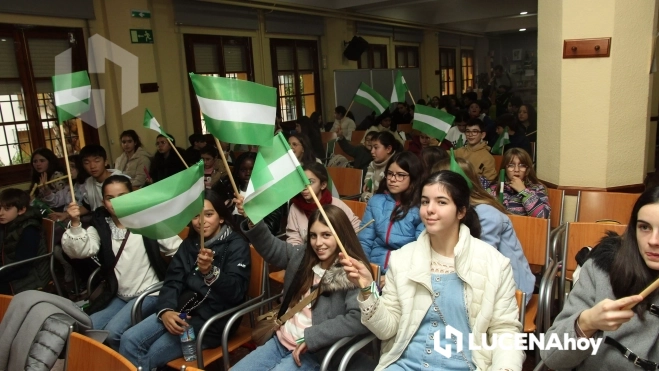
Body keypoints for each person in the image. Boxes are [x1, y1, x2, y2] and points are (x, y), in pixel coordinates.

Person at [341, 170, 524, 371]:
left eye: (442, 202)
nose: (430, 209)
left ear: (461, 211)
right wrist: (368, 289)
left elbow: (505, 330)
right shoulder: (403, 258)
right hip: (405, 366)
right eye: (425, 201)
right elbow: (387, 329)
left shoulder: (493, 263)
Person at [231, 200, 371, 371]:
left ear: (341, 235)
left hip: (314, 352)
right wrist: (253, 219)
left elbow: (359, 318)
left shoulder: (354, 272)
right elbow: (272, 248)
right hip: (280, 341)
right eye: (313, 235)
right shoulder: (303, 256)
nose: (318, 243)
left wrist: (312, 337)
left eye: (326, 235)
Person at [120, 190, 251, 370]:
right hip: (180, 309)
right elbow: (173, 279)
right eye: (195, 216)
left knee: (150, 355)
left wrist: (211, 272)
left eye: (209, 214)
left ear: (221, 218)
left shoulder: (237, 246)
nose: (202, 221)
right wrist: (165, 311)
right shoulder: (191, 243)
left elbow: (235, 293)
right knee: (129, 340)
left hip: (211, 320)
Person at [540, 187, 659, 370]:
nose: (653, 240)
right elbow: (552, 356)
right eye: (644, 227)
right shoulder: (602, 268)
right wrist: (586, 323)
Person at [62, 175, 181, 350]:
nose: (116, 203)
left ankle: (130, 360)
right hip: (118, 294)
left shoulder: (148, 221)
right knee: (88, 326)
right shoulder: (101, 226)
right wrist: (75, 222)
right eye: (110, 198)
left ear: (132, 196)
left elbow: (178, 249)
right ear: (103, 201)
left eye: (122, 196)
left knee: (113, 332)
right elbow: (80, 250)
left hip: (149, 293)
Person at [434, 157, 535, 300]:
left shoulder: (486, 213)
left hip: (510, 291)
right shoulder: (447, 212)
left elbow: (481, 265)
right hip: (471, 284)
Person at [359, 151, 425, 275]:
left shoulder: (421, 207)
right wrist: (365, 270)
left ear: (413, 177)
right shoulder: (376, 201)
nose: (393, 180)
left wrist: (393, 278)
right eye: (390, 174)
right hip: (373, 268)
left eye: (400, 175)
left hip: (403, 273)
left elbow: (420, 250)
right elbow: (364, 241)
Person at [286, 163, 361, 245]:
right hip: (307, 255)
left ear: (323, 185)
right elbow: (293, 240)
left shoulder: (337, 204)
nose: (304, 187)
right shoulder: (295, 207)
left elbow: (356, 229)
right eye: (302, 181)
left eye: (310, 182)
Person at [0, 188, 49, 295]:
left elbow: (23, 268)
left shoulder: (29, 230)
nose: (1, 213)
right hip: (9, 272)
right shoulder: (6, 225)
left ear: (22, 210)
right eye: (0, 208)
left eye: (7, 209)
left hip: (30, 280)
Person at [227, 152, 286, 235]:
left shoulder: (271, 195)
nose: (248, 173)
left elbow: (271, 228)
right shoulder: (229, 191)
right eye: (243, 170)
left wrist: (247, 215)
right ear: (237, 172)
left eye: (253, 170)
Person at [492, 148, 550, 218]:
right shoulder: (495, 188)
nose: (516, 170)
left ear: (527, 170)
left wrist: (523, 191)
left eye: (522, 165)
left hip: (524, 228)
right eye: (511, 165)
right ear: (505, 169)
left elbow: (543, 216)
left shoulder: (537, 188)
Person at [361, 131, 402, 202]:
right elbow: (369, 177)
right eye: (371, 147)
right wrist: (367, 183)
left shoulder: (395, 168)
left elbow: (387, 198)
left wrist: (366, 196)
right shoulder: (373, 164)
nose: (372, 151)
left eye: (376, 148)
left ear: (388, 149)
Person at [80, 144, 123, 212]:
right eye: (87, 162)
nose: (92, 166)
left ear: (105, 162)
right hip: (98, 219)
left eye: (97, 161)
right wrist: (66, 214)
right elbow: (87, 206)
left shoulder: (119, 180)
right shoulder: (89, 182)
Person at [455, 118, 497, 183]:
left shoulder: (488, 158)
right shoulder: (458, 152)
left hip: (476, 191)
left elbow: (489, 181)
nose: (470, 135)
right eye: (468, 131)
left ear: (482, 135)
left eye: (475, 131)